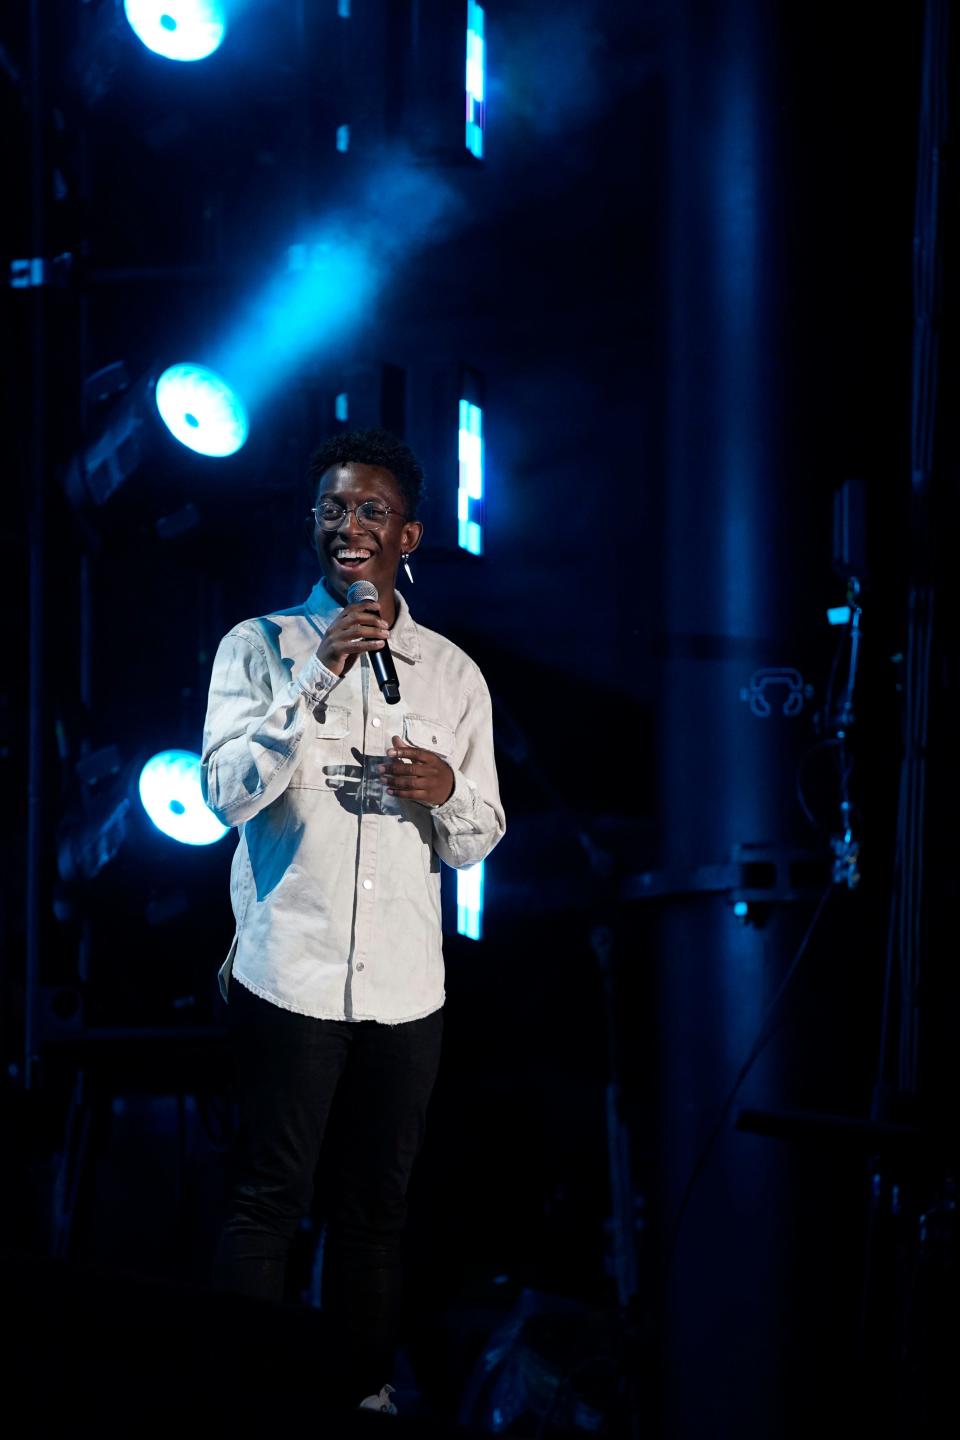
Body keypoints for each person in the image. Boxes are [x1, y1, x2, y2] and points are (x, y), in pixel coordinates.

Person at [200, 427, 505, 1411]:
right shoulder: (260, 645)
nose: (348, 525)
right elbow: (225, 793)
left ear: (409, 536)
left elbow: (477, 837)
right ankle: (248, 1392)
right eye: (333, 507)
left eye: (371, 511)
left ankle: (361, 1396)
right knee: (269, 1200)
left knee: (377, 1211)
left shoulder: (452, 674)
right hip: (290, 966)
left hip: (406, 986)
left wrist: (446, 786)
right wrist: (318, 676)